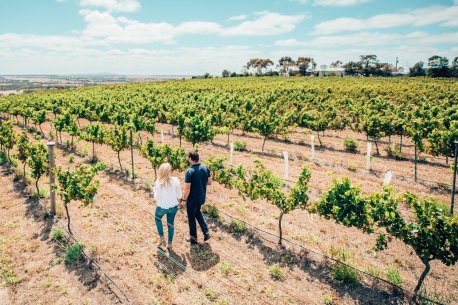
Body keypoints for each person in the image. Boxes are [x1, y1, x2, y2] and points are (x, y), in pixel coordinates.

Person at [181, 151, 212, 245]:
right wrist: (200, 183)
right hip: (201, 197)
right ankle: (206, 232)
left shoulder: (189, 171)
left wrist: (184, 200)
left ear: (190, 159)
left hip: (192, 199)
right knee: (197, 212)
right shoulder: (205, 167)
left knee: (191, 218)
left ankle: (193, 240)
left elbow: (187, 189)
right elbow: (209, 182)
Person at [153, 162, 182, 251]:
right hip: (173, 207)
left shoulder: (158, 182)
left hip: (162, 207)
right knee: (170, 224)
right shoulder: (176, 180)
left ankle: (162, 238)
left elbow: (156, 197)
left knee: (158, 219)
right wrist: (180, 203)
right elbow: (179, 195)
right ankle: (169, 244)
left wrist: (154, 190)